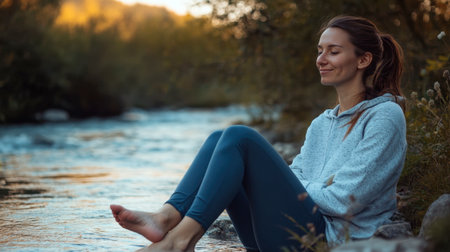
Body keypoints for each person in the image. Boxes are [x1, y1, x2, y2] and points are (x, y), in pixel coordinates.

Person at [110, 15, 407, 251]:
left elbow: (346, 200)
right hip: (275, 234)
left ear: (363, 60)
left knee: (240, 138)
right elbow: (299, 175)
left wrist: (295, 188)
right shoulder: (322, 123)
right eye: (319, 51)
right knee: (219, 139)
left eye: (333, 51)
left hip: (324, 241)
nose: (321, 59)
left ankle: (180, 241)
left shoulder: (385, 117)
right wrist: (294, 186)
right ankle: (165, 217)